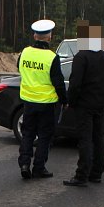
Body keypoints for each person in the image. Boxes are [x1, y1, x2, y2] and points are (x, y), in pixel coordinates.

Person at [63, 21, 104, 187]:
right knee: (99, 138)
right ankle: (96, 173)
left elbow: (75, 84)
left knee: (85, 139)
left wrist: (71, 102)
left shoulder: (81, 57)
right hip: (100, 104)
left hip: (84, 105)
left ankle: (81, 176)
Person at [17, 19, 67, 179]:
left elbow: (19, 68)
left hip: (28, 102)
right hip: (47, 103)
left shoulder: (24, 52)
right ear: (50, 37)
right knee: (44, 136)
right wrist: (64, 100)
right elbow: (58, 82)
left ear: (34, 35)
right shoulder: (52, 57)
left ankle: (24, 163)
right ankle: (39, 167)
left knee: (27, 134)